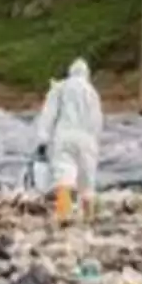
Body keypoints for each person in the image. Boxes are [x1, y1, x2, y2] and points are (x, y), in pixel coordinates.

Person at [36, 58, 103, 223]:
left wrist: (43, 140)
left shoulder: (61, 87)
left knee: (64, 175)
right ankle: (90, 219)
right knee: (87, 182)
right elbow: (98, 120)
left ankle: (64, 216)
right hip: (88, 140)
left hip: (65, 137)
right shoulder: (92, 92)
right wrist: (94, 142)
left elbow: (48, 114)